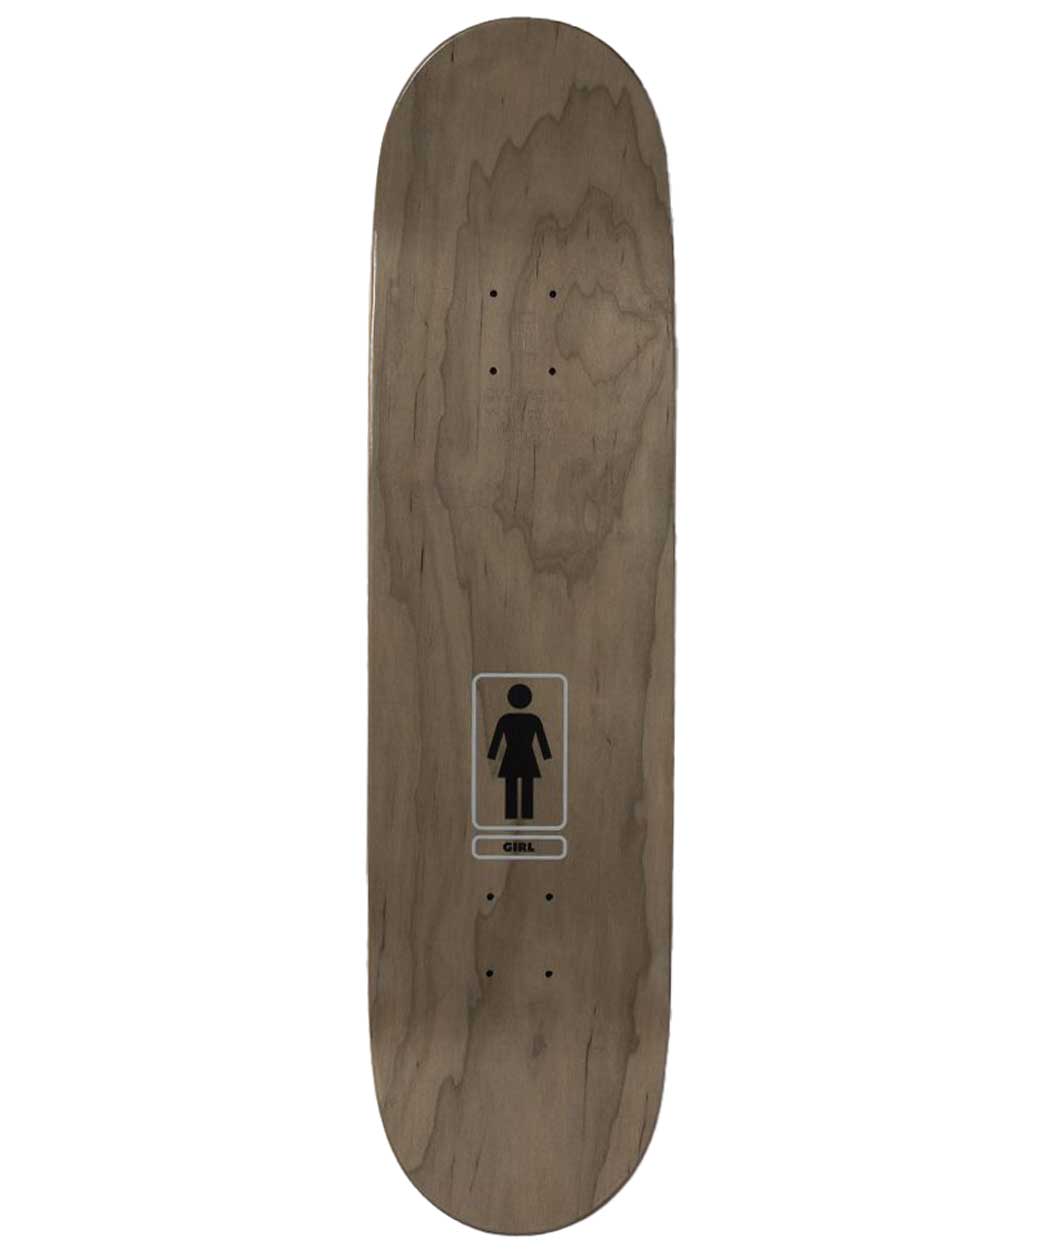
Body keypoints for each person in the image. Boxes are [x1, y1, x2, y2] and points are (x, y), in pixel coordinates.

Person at [486, 684, 552, 821]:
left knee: (511, 787)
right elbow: (542, 741)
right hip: (528, 757)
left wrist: (491, 756)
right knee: (527, 787)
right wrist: (547, 756)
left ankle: (512, 814)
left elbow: (496, 740)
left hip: (510, 757)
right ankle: (526, 814)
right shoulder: (533, 719)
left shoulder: (505, 719)